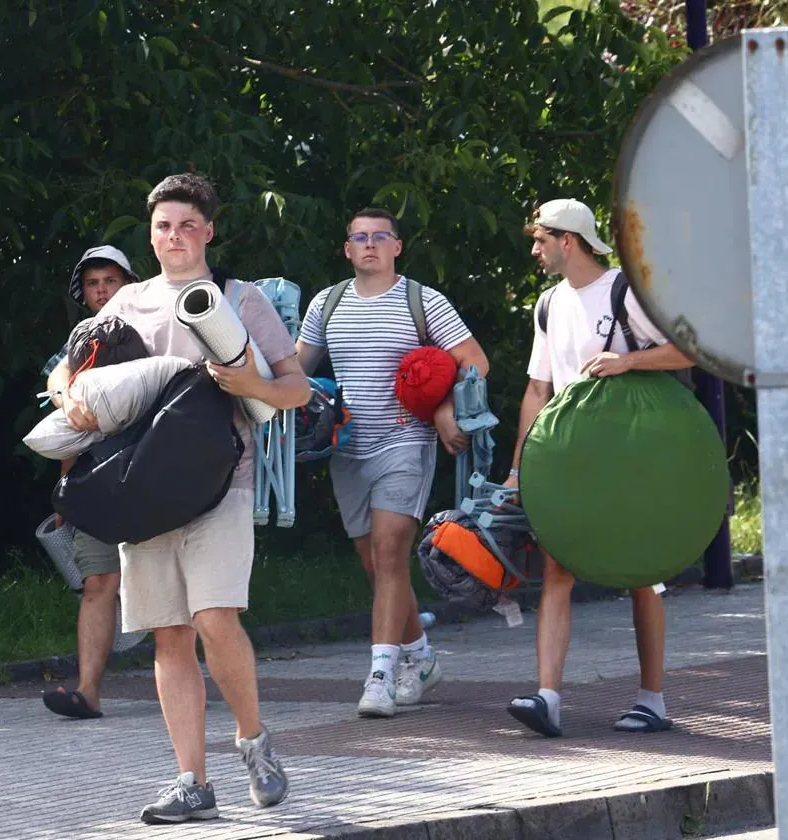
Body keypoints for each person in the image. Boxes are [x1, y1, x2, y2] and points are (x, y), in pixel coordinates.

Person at [47, 174, 310, 823]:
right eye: (163, 226)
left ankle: (253, 744)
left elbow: (298, 388)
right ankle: (191, 781)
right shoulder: (127, 302)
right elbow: (64, 366)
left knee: (215, 619)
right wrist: (68, 398)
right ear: (151, 233)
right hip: (144, 489)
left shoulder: (238, 298)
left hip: (223, 482)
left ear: (209, 231)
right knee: (170, 636)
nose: (174, 236)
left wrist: (253, 383)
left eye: (187, 225)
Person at [504, 199, 693, 737]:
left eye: (541, 240)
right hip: (571, 458)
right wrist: (520, 468)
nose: (536, 250)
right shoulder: (547, 304)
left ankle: (652, 700)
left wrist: (628, 360)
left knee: (641, 574)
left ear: (569, 241)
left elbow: (689, 351)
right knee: (557, 570)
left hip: (633, 456)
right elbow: (538, 389)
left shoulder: (625, 291)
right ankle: (547, 699)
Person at [296, 208, 488, 718]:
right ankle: (422, 660)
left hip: (406, 443)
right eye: (359, 237)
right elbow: (295, 372)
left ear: (397, 247)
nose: (370, 245)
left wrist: (445, 407)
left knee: (388, 554)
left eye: (380, 237)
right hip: (345, 449)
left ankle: (379, 678)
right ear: (347, 249)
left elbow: (475, 360)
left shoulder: (422, 300)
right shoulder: (327, 303)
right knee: (376, 566)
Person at [41, 245, 139, 720]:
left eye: (111, 281)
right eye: (93, 283)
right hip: (95, 477)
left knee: (167, 582)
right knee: (99, 581)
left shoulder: (157, 324)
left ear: (128, 283)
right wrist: (66, 491)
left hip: (154, 474)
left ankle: (181, 683)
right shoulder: (76, 343)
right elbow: (67, 428)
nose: (102, 291)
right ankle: (87, 692)